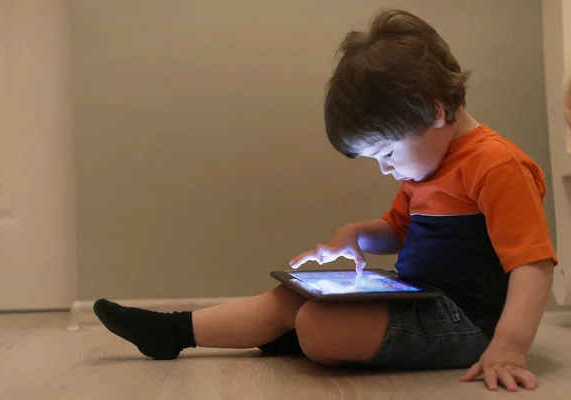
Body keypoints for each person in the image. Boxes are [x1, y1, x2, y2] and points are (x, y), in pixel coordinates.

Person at [93, 9, 557, 392]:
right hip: (419, 296)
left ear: (435, 111)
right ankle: (171, 332)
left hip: (469, 322)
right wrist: (353, 236)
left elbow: (531, 265)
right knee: (291, 296)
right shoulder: (429, 166)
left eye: (388, 152)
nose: (387, 168)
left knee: (316, 322)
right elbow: (397, 229)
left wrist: (510, 344)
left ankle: (299, 335)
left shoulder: (497, 167)